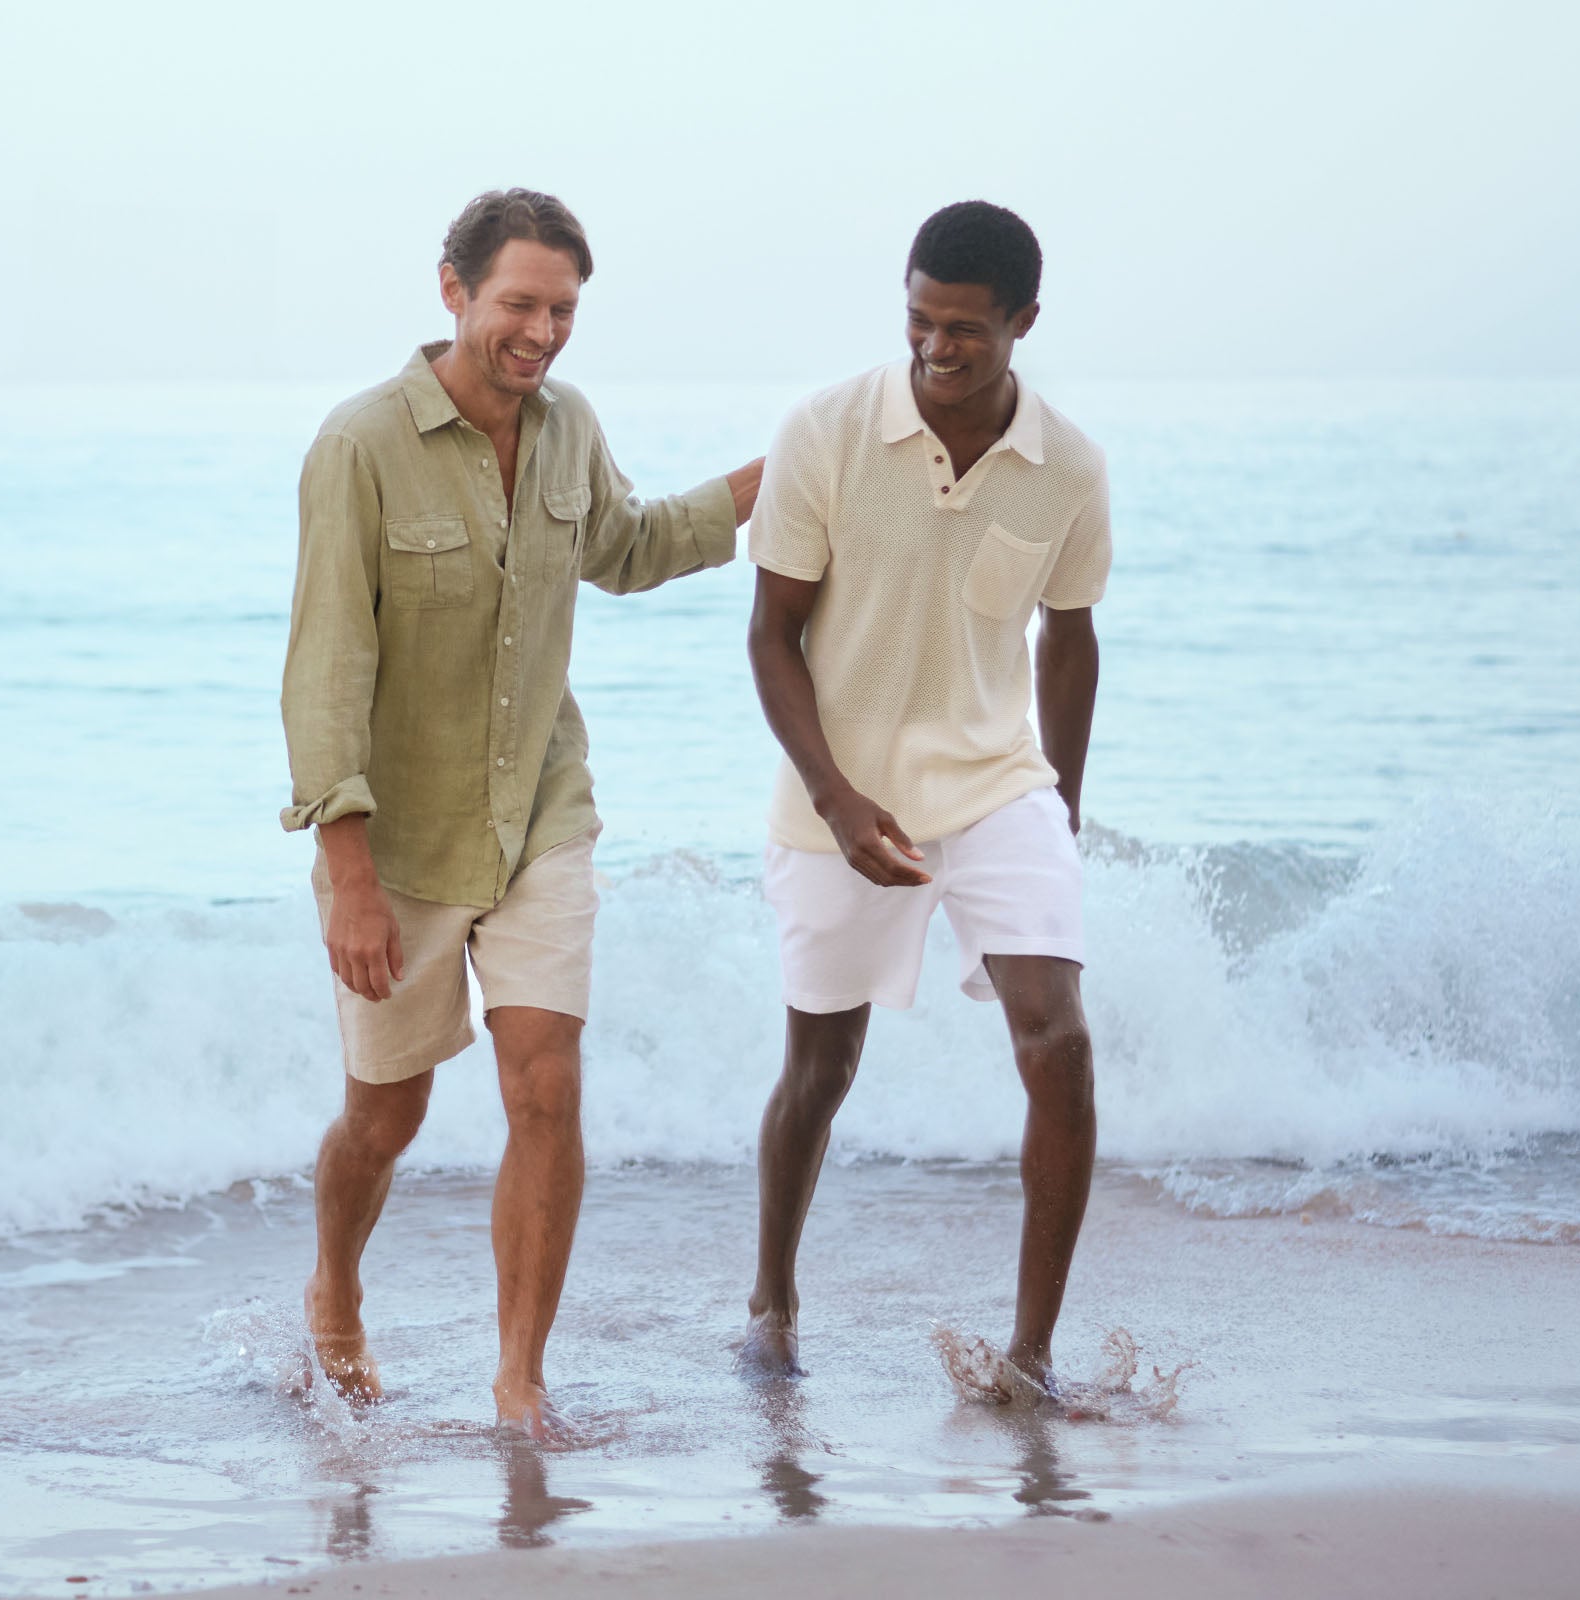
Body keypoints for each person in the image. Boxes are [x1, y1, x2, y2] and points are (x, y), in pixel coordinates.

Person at [280, 188, 764, 1438]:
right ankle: (334, 1284)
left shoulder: (568, 430)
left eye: (561, 310)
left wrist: (783, 474)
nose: (541, 333)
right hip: (402, 840)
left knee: (545, 1079)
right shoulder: (357, 445)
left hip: (541, 807)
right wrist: (347, 871)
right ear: (451, 288)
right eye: (518, 304)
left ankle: (518, 1377)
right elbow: (326, 663)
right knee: (384, 1114)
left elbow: (630, 545)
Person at [740, 201, 1108, 1397]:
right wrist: (838, 799)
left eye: (964, 330)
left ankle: (1031, 1356)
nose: (935, 349)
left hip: (995, 781)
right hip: (835, 791)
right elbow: (771, 633)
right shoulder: (826, 431)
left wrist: (1060, 805)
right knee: (820, 1069)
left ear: (1022, 323)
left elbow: (1069, 642)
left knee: (1055, 1037)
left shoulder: (1070, 468)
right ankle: (772, 1298)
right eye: (917, 322)